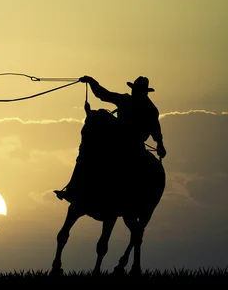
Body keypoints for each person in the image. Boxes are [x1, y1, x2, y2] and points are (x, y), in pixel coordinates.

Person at [55, 75, 166, 203]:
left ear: (142, 92)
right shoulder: (126, 100)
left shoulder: (150, 109)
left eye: (135, 90)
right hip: (116, 139)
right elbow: (104, 94)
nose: (133, 92)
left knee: (132, 170)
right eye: (133, 89)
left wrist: (160, 144)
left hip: (134, 145)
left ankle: (127, 199)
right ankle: (73, 189)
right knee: (87, 154)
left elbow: (156, 130)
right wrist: (91, 81)